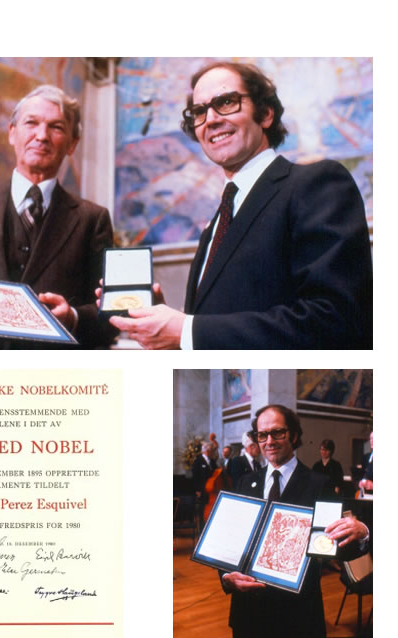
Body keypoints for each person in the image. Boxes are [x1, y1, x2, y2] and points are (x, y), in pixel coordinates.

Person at [101, 61, 372, 349]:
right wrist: (172, 325)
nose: (211, 119)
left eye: (227, 102)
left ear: (266, 114)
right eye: (199, 111)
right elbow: (224, 316)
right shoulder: (219, 217)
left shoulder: (316, 183)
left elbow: (335, 320)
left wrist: (188, 330)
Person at [0, 84, 115, 348]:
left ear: (73, 144)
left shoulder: (93, 220)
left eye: (57, 127)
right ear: (12, 133)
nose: (42, 136)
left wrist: (73, 317)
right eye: (31, 123)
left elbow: (111, 317)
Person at [220, 404, 369, 638]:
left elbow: (334, 548)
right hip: (247, 613)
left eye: (277, 432)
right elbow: (228, 542)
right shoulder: (244, 483)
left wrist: (362, 533)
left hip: (298, 615)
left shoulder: (319, 484)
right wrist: (226, 577)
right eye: (262, 434)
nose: (269, 440)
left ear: (295, 435)